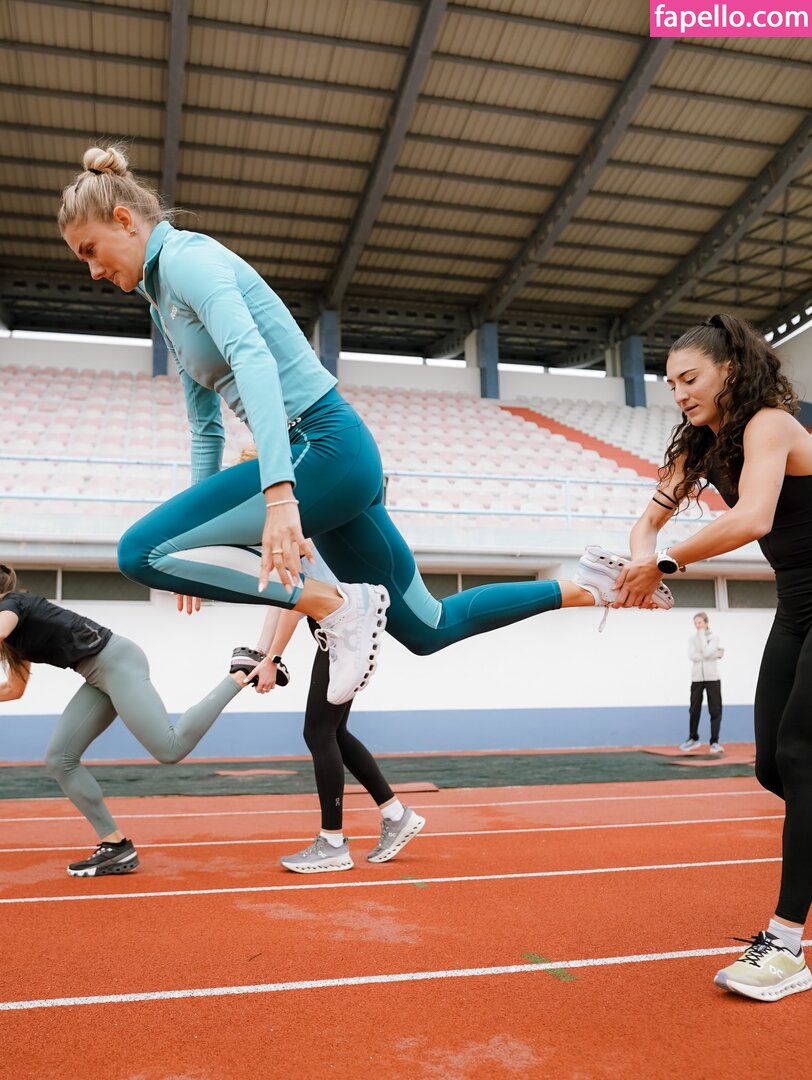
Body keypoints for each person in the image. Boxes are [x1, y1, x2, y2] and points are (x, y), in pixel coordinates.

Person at [57, 146, 670, 682]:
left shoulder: (187, 260)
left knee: (137, 552)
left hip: (322, 447)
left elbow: (254, 360)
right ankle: (593, 585)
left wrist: (278, 495)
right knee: (428, 627)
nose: (92, 270)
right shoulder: (160, 299)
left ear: (125, 220)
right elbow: (205, 426)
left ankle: (336, 607)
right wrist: (198, 533)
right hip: (332, 462)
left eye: (91, 250)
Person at [613, 312, 812, 1003]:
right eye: (670, 384)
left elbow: (754, 516)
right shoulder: (700, 445)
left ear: (730, 370)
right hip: (797, 605)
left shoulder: (771, 425)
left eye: (690, 378)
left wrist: (665, 564)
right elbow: (648, 519)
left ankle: (786, 944)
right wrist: (640, 560)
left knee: (802, 753)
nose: (679, 394)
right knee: (772, 766)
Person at [0, 564, 257, 878]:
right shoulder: (13, 636)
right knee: (59, 759)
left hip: (115, 660)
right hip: (96, 674)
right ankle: (115, 844)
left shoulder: (13, 604)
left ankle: (240, 672)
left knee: (170, 748)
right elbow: (14, 689)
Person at [233, 603, 425, 873]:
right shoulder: (283, 576)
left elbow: (291, 606)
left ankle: (332, 843)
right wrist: (261, 654)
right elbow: (280, 602)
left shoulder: (295, 572)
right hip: (342, 636)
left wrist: (272, 660)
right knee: (335, 733)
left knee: (319, 734)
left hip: (342, 637)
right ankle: (396, 814)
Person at [680, 612, 724, 754]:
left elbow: (706, 652)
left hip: (713, 678)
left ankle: (715, 742)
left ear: (706, 622)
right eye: (695, 623)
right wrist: (714, 655)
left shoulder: (714, 637)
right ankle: (693, 739)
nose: (697, 625)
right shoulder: (692, 639)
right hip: (697, 678)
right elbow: (692, 656)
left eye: (699, 622)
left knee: (715, 710)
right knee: (694, 709)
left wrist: (703, 639)